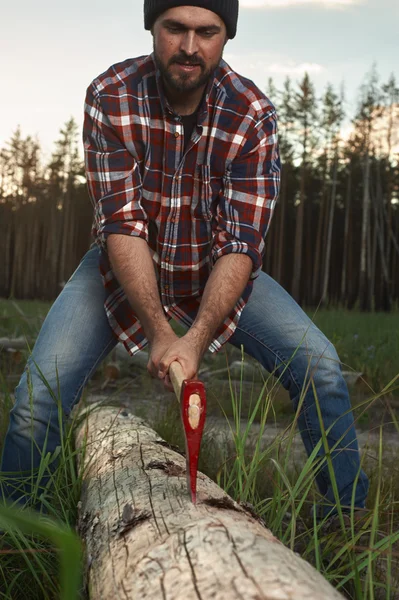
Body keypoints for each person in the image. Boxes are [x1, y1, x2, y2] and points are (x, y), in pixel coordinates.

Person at [1, 0, 368, 520]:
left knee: (323, 367)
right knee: (37, 397)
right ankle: (21, 533)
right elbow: (122, 226)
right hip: (121, 269)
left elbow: (240, 242)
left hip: (215, 271)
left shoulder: (252, 114)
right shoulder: (112, 94)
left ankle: (345, 523)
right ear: (152, 26)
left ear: (227, 35)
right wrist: (158, 330)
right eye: (175, 28)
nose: (190, 47)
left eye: (207, 31)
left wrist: (194, 339)